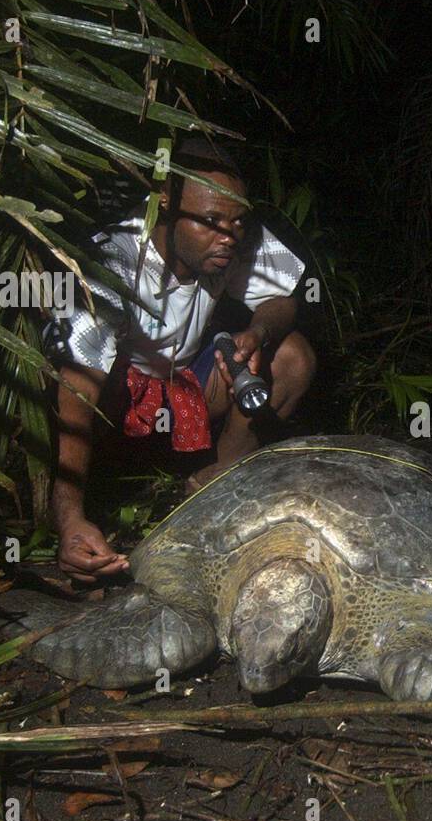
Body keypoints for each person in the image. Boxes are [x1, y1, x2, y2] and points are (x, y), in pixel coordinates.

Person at [49, 138, 316, 583]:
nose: (228, 236)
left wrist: (257, 332)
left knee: (293, 358)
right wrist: (68, 519)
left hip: (185, 388)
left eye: (237, 222)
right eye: (210, 221)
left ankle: (210, 488)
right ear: (164, 205)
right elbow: (77, 388)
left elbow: (282, 299)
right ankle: (88, 507)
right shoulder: (112, 261)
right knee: (82, 377)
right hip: (117, 404)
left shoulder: (229, 234)